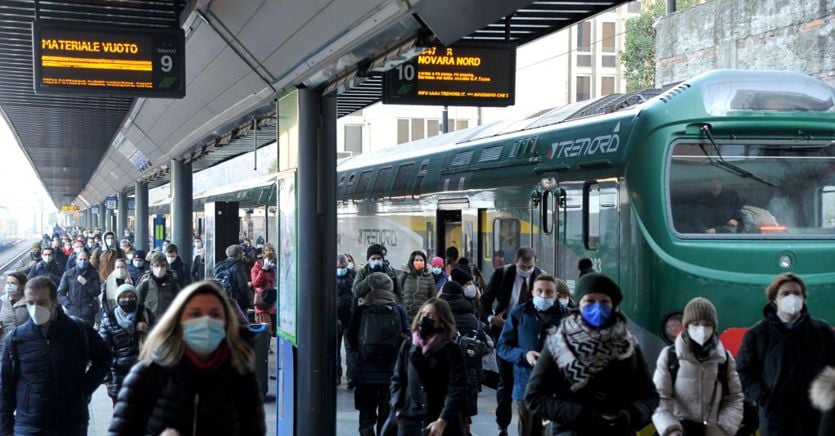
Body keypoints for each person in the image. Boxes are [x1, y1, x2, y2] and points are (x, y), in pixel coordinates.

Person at [109, 281, 266, 435]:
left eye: (215, 314)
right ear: (178, 321)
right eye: (195, 314)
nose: (206, 321)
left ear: (226, 322)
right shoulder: (148, 374)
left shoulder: (241, 377)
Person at [525, 273, 659, 435]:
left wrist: (631, 415)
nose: (597, 307)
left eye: (604, 302)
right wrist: (580, 414)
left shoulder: (628, 345)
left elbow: (650, 396)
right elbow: (534, 397)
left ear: (613, 305)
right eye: (589, 301)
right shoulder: (558, 344)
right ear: (579, 305)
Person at [0, 276, 111, 435]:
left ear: (55, 302)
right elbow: (6, 387)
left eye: (42, 303)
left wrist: (83, 390)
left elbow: (104, 358)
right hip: (29, 424)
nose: (35, 308)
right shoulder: (16, 339)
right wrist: (5, 429)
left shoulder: (79, 331)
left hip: (71, 422)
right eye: (30, 303)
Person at [736, 273, 835, 435]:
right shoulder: (757, 335)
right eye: (785, 293)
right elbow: (743, 372)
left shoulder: (822, 331)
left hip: (813, 418)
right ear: (775, 299)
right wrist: (762, 397)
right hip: (775, 419)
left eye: (797, 293)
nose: (792, 298)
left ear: (804, 298)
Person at [652, 297, 745, 436]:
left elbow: (735, 398)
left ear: (714, 327)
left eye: (707, 324)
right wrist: (671, 429)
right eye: (695, 323)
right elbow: (660, 397)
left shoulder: (724, 359)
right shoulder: (670, 355)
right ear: (686, 326)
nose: (702, 329)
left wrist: (721, 429)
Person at [480, 246, 543, 435]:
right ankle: (503, 425)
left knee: (529, 382)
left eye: (530, 267)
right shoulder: (503, 274)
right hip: (505, 332)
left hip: (529, 334)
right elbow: (485, 300)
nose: (527, 270)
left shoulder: (539, 277)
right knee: (506, 382)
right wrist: (492, 319)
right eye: (523, 267)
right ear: (516, 262)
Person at [497, 275, 569, 436]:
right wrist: (524, 355)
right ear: (532, 292)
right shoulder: (519, 313)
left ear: (556, 294)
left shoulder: (568, 317)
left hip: (556, 390)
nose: (544, 295)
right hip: (525, 387)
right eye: (540, 291)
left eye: (549, 292)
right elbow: (502, 347)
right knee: (527, 431)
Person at [388, 298, 469, 436]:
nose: (424, 319)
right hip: (409, 418)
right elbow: (397, 379)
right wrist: (398, 407)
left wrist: (442, 420)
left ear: (442, 322)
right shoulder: (408, 346)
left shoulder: (452, 350)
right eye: (423, 314)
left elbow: (457, 388)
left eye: (431, 317)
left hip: (439, 421)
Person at [347, 273, 410, 436]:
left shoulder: (361, 310)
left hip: (365, 373)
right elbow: (407, 339)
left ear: (371, 287)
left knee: (366, 418)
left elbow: (351, 337)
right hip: (391, 373)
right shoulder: (399, 310)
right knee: (387, 416)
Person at [439, 281, 493, 431]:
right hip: (469, 374)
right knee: (464, 420)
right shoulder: (472, 318)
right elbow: (486, 345)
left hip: (443, 374)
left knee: (442, 417)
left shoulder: (438, 316)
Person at [99, 284, 154, 406]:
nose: (128, 300)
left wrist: (148, 330)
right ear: (118, 299)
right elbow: (102, 350)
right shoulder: (109, 318)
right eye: (123, 297)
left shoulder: (145, 314)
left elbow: (161, 339)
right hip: (118, 372)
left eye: (131, 296)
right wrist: (107, 378)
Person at [57, 250, 102, 326]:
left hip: (88, 311)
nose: (83, 262)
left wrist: (86, 283)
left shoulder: (93, 274)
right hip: (73, 310)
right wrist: (68, 305)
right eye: (80, 259)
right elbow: (60, 293)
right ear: (76, 260)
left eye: (85, 259)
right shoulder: (68, 274)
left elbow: (97, 291)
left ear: (88, 260)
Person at [136, 253, 182, 320]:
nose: (160, 268)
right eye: (157, 265)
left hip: (167, 324)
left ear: (166, 267)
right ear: (151, 267)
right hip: (148, 325)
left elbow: (180, 306)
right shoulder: (144, 286)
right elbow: (137, 306)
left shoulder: (174, 287)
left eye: (162, 265)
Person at [336, 254, 357, 386]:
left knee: (350, 348)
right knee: (335, 348)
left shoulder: (353, 275)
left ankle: (351, 376)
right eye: (338, 267)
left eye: (342, 267)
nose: (340, 269)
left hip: (349, 316)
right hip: (336, 317)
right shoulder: (330, 276)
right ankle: (337, 375)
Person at [398, 250, 437, 319]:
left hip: (422, 315)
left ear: (425, 262)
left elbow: (433, 297)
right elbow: (397, 291)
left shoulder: (429, 276)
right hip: (406, 314)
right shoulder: (405, 274)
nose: (419, 262)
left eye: (421, 260)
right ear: (412, 261)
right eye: (416, 260)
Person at [213, 245, 251, 313]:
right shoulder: (238, 267)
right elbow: (243, 286)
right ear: (239, 254)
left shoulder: (219, 266)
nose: (243, 254)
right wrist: (249, 302)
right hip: (237, 302)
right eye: (242, 252)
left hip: (223, 300)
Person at [251, 244, 277, 334]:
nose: (270, 252)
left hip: (276, 303)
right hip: (263, 302)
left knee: (274, 332)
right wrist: (262, 270)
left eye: (272, 250)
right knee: (266, 331)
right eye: (267, 250)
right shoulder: (258, 265)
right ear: (263, 252)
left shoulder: (277, 265)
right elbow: (255, 283)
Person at [0, 273, 27, 345]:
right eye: (7, 283)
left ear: (22, 286)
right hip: (4, 345)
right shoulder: (1, 301)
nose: (9, 286)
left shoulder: (30, 302)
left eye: (12, 283)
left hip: (24, 344)